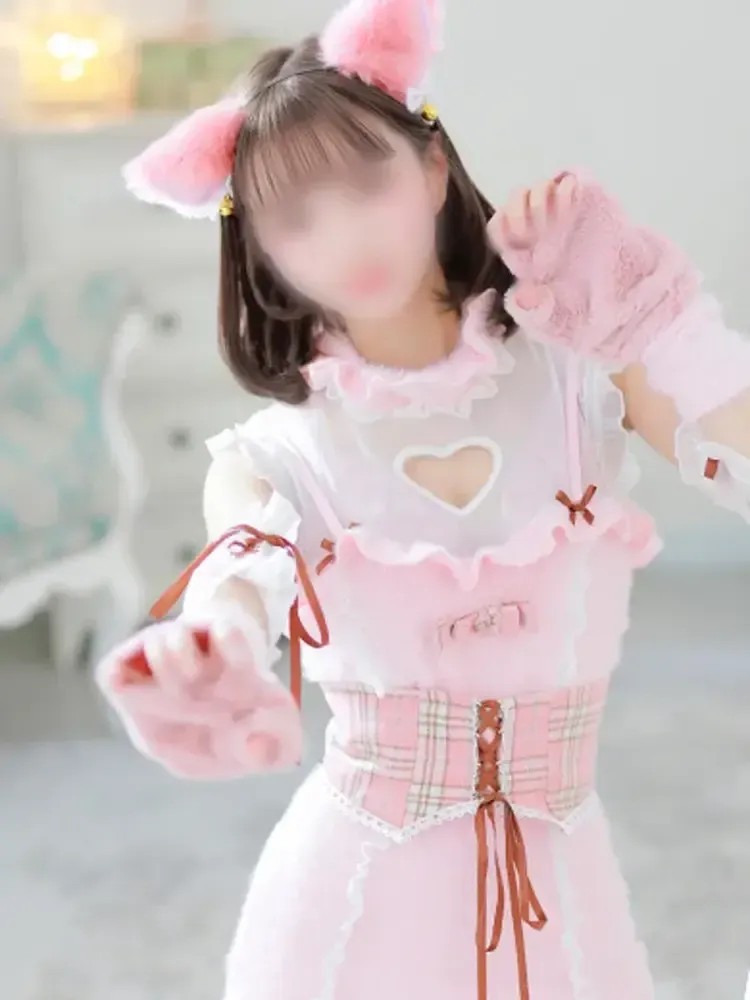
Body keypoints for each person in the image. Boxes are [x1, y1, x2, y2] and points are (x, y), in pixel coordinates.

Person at [96, 1, 750, 998]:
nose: (345, 235)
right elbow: (242, 570)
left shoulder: (578, 375)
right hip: (348, 909)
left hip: (561, 895)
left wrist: (657, 325)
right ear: (262, 253)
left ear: (434, 167)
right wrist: (215, 644)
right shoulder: (276, 453)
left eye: (368, 182)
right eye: (296, 219)